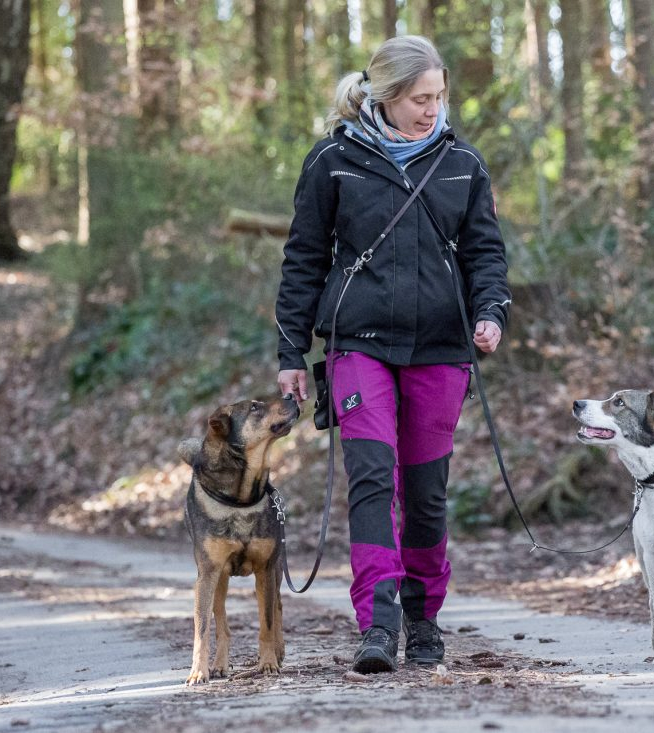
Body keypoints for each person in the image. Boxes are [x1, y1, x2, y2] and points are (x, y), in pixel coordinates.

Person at [274, 35, 511, 674]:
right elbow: (303, 258)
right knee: (374, 481)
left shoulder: (462, 163)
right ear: (384, 97)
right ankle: (377, 624)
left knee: (427, 493)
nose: (432, 110)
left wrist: (490, 314)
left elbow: (486, 253)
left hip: (440, 348)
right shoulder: (333, 160)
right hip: (359, 346)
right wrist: (292, 350)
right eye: (418, 99)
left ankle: (422, 616)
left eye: (438, 97)